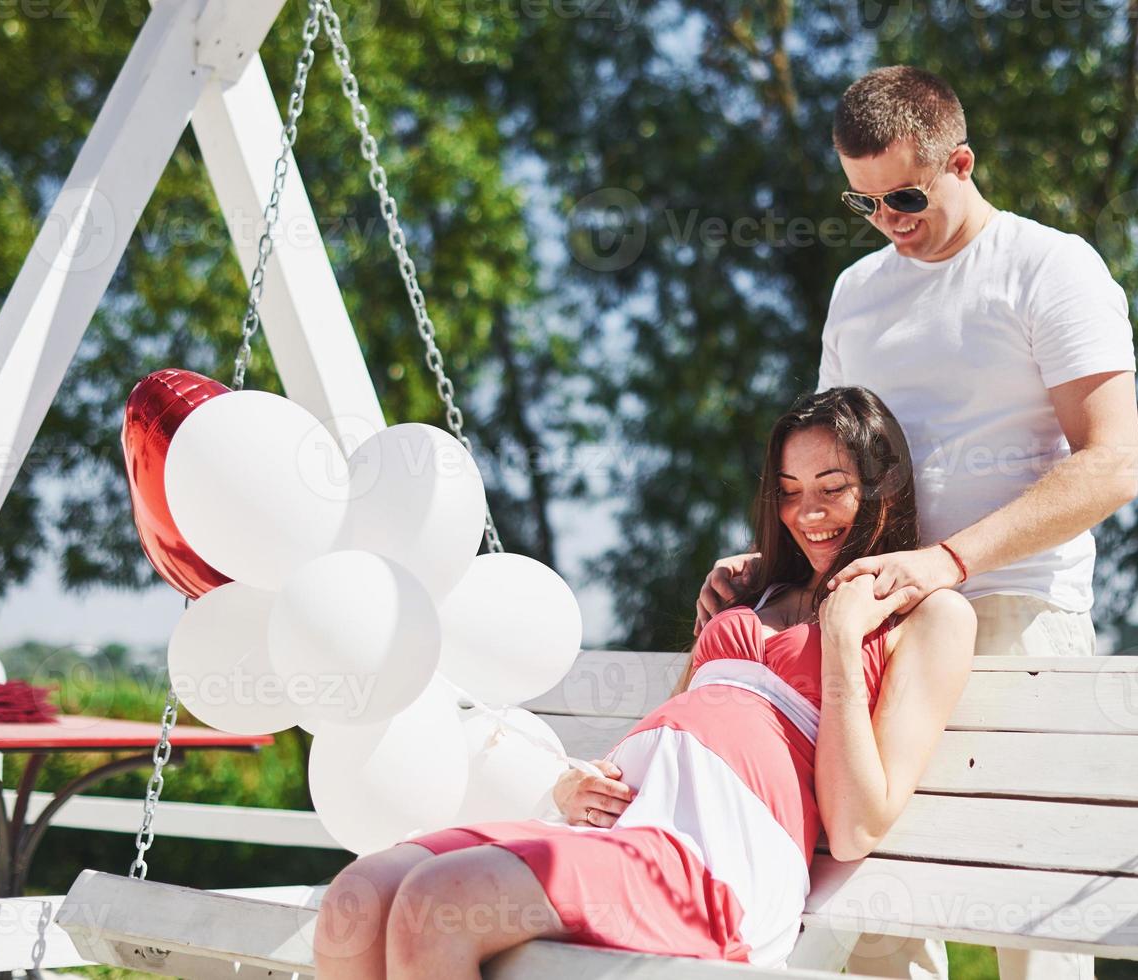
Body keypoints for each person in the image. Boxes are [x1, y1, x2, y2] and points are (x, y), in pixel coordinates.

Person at [692, 67, 1138, 980]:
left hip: (1015, 612)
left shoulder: (1050, 267)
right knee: (867, 907)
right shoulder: (857, 291)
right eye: (864, 204)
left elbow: (1109, 464)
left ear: (960, 161)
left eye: (904, 195)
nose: (889, 220)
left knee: (1027, 909)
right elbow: (833, 457)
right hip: (872, 617)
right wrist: (777, 556)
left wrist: (948, 559)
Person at [313, 386, 976, 980]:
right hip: (623, 831)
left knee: (438, 906)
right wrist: (580, 785)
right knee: (357, 899)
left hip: (715, 863)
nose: (808, 513)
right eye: (790, 490)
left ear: (883, 488)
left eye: (832, 487)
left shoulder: (927, 617)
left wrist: (838, 631)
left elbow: (857, 825)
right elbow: (686, 721)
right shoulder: (756, 591)